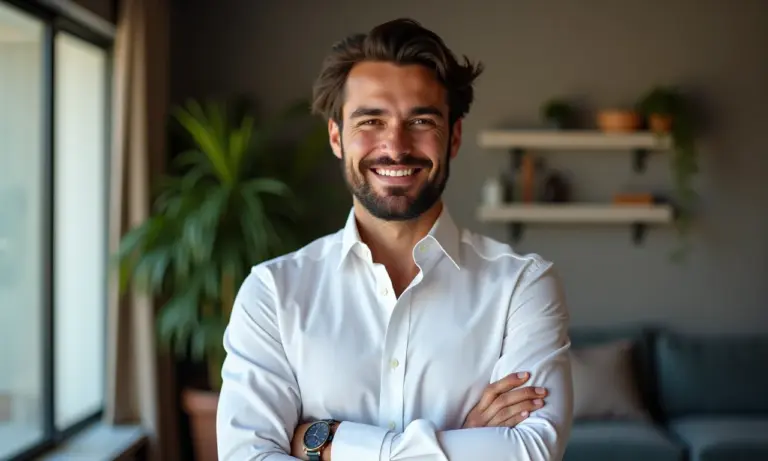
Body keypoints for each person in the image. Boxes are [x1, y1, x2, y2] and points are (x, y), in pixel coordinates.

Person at [216, 17, 573, 461]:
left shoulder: (523, 285)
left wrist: (327, 443)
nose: (396, 145)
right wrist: (463, 441)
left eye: (421, 120)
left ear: (454, 137)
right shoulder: (272, 293)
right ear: (336, 136)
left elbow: (531, 451)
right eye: (370, 120)